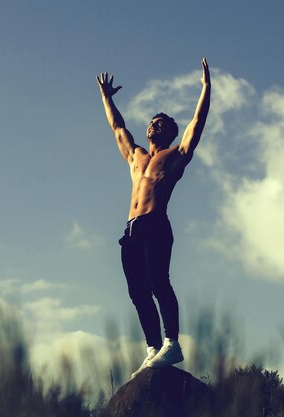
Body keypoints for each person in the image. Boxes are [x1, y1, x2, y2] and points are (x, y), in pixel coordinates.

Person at [96, 59, 211, 378]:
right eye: (152, 121)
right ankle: (152, 348)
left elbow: (197, 123)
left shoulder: (175, 156)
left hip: (156, 225)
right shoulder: (136, 156)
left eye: (159, 124)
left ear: (169, 133)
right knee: (137, 292)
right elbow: (118, 128)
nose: (153, 125)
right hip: (131, 230)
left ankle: (172, 342)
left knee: (159, 282)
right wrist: (107, 98)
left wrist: (206, 89)